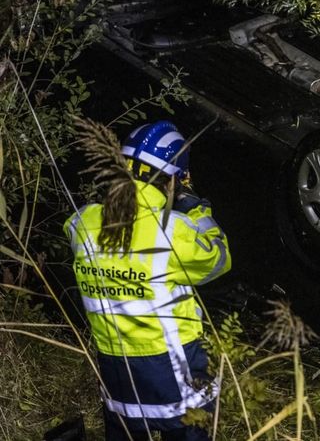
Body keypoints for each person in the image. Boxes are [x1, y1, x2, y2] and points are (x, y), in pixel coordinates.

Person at [64, 121, 231, 440]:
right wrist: (195, 210)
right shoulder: (173, 231)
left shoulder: (83, 224)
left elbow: (75, 227)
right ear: (174, 180)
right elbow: (219, 257)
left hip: (117, 378)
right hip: (174, 373)